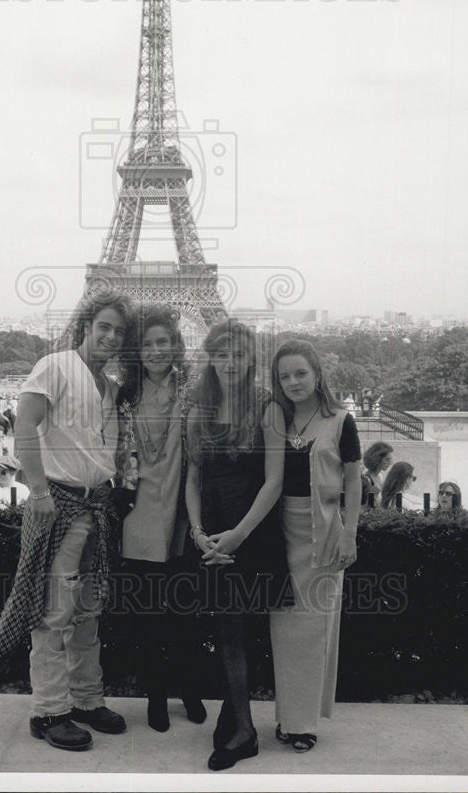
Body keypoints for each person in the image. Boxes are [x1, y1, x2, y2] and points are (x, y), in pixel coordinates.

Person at [0, 292, 136, 753]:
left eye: (118, 331)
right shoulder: (54, 365)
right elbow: (24, 427)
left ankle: (87, 699)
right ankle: (49, 710)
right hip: (63, 503)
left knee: (87, 610)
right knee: (54, 611)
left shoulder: (108, 387)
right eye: (104, 327)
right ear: (86, 326)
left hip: (96, 506)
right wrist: (40, 491)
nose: (110, 337)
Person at [185, 318, 289, 772]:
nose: (229, 363)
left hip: (251, 531)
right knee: (228, 631)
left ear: (251, 359)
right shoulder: (197, 409)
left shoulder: (267, 407)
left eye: (239, 354)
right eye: (221, 353)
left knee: (244, 632)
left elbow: (274, 481)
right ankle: (237, 717)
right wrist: (197, 531)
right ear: (210, 357)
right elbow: (193, 479)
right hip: (212, 535)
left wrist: (239, 535)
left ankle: (243, 730)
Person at [266, 340, 362, 755]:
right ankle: (288, 717)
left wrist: (350, 533)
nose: (293, 382)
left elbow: (355, 479)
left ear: (317, 373)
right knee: (284, 630)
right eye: (285, 376)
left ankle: (302, 724)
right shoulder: (275, 419)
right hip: (279, 533)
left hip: (323, 532)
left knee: (314, 630)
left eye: (300, 373)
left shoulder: (341, 421)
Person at [114, 305, 205, 733]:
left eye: (163, 342)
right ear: (138, 350)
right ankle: (155, 695)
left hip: (183, 509)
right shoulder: (124, 395)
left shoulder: (194, 389)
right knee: (149, 616)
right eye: (147, 344)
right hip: (140, 510)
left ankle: (188, 688)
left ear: (176, 346)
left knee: (185, 613)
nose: (155, 350)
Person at [360, 441, 394, 506]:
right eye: (387, 459)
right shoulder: (365, 480)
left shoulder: (380, 477)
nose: (390, 463)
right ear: (377, 459)